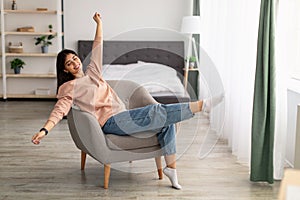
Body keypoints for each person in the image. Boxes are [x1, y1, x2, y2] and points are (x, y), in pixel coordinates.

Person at [32, 12, 223, 190]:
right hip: (110, 122)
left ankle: (171, 169)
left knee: (167, 122)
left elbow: (98, 46)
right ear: (65, 70)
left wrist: (99, 24)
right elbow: (59, 110)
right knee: (157, 111)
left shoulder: (93, 73)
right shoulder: (68, 88)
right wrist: (44, 130)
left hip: (123, 115)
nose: (74, 63)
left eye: (75, 58)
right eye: (69, 63)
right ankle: (201, 106)